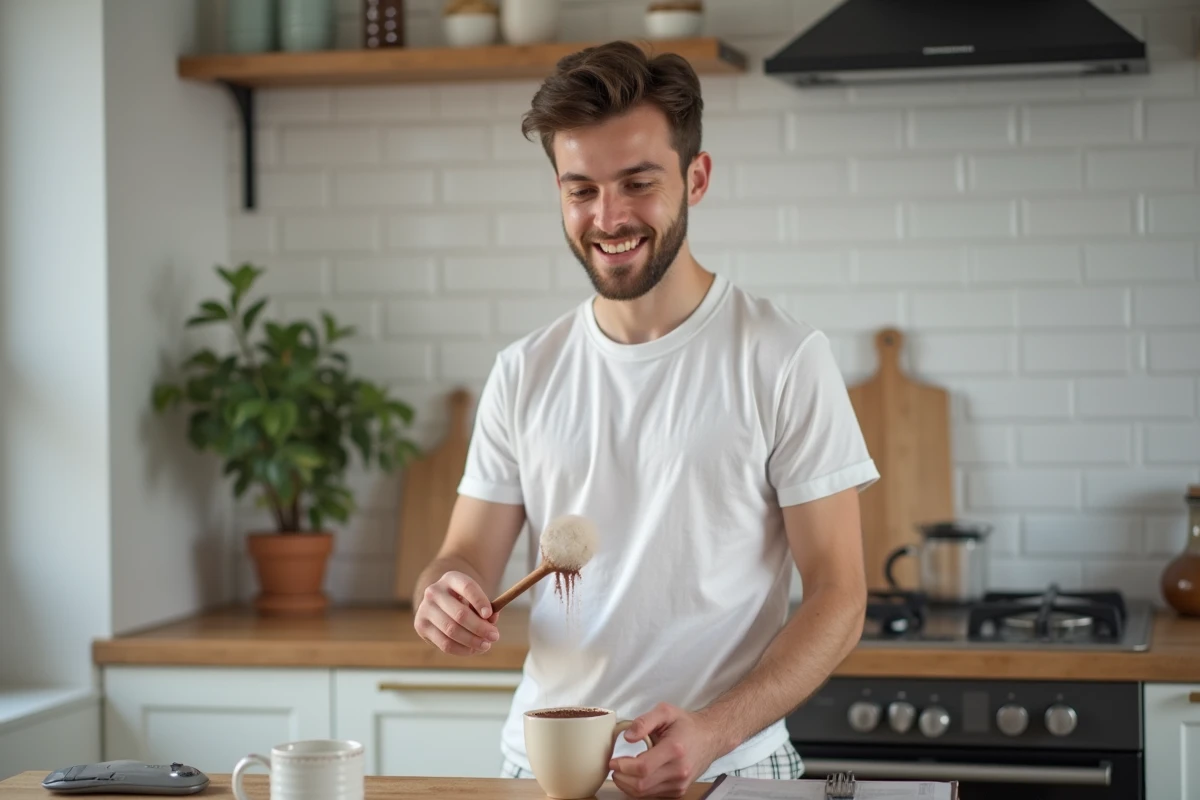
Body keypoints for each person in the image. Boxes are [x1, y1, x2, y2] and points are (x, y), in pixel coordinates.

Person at [411, 39, 878, 799]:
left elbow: (839, 596)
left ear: (696, 177)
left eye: (637, 183)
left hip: (731, 768)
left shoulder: (783, 358)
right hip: (546, 770)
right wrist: (445, 595)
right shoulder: (524, 371)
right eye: (581, 189)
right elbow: (462, 556)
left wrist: (715, 729)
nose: (609, 216)